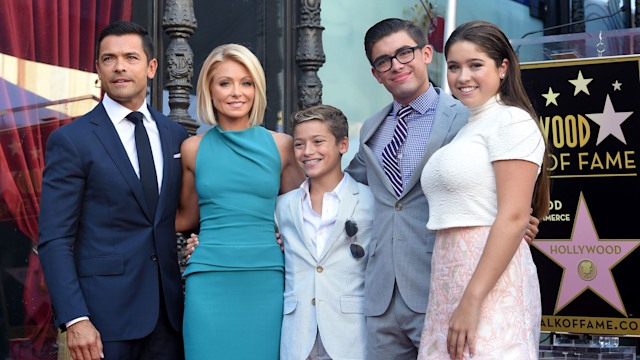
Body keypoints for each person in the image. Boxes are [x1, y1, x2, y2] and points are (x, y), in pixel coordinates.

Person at [343, 18, 541, 359]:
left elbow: (512, 204)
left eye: (405, 53)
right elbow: (346, 189)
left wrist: (518, 219)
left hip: (459, 278)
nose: (396, 65)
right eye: (383, 60)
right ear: (376, 73)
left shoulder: (471, 113)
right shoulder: (373, 128)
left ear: (424, 54)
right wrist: (284, 218)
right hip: (397, 291)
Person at [37, 21, 188, 360]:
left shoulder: (175, 137)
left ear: (151, 67)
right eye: (109, 58)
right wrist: (76, 318)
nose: (119, 66)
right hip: (103, 321)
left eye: (131, 57)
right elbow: (55, 238)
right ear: (98, 69)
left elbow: (185, 215)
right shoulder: (72, 141)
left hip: (169, 320)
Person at [417, 20, 550, 359]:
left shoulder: (511, 121)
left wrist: (473, 298)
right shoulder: (468, 126)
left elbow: (515, 215)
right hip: (450, 279)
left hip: (488, 283)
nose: (463, 77)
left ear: (503, 67)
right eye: (453, 67)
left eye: (475, 65)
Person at [175, 43, 305, 359]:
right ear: (209, 89)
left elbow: (302, 214)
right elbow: (185, 219)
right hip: (208, 279)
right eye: (225, 83)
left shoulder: (282, 146)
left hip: (265, 280)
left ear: (257, 88)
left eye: (246, 83)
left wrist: (284, 234)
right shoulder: (193, 148)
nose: (237, 92)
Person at [277, 104, 374, 360]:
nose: (308, 151)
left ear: (343, 145)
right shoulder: (282, 206)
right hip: (298, 336)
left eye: (318, 141)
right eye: (299, 144)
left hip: (350, 335)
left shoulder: (370, 201)